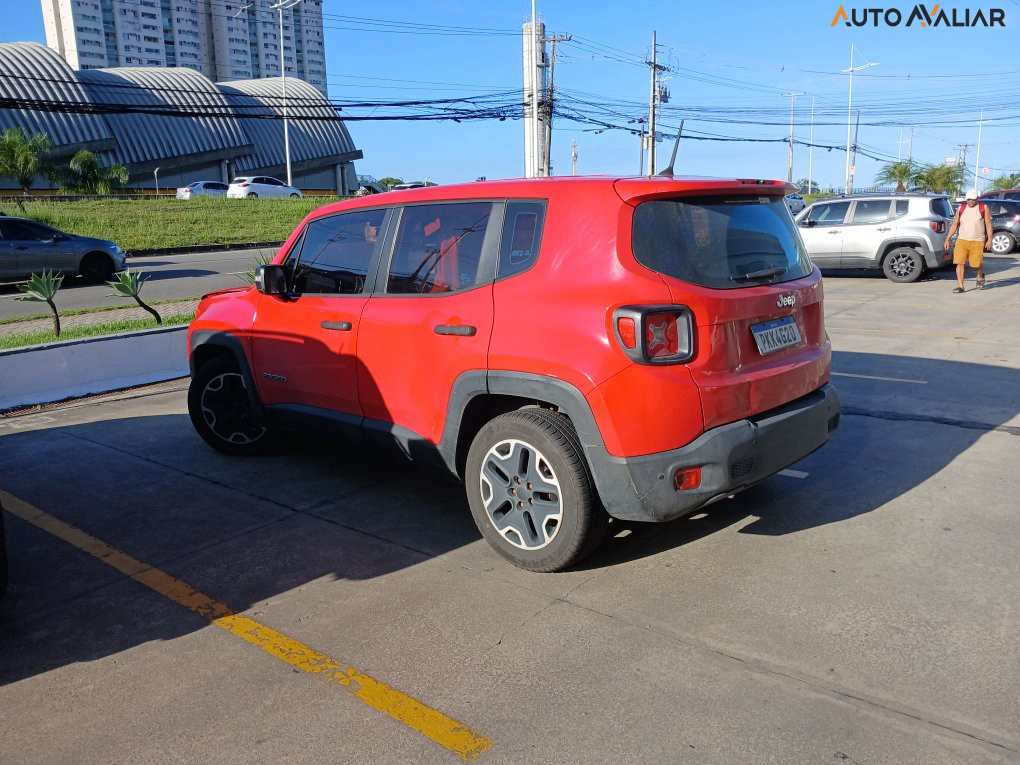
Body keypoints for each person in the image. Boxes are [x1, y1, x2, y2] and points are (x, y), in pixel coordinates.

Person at [945, 189, 993, 293]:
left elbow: (988, 224)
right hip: (962, 240)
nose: (970, 201)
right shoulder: (961, 208)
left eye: (972, 199)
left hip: (978, 240)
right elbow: (955, 224)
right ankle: (960, 286)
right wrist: (947, 239)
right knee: (959, 263)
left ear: (977, 199)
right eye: (968, 199)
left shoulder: (983, 208)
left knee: (976, 264)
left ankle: (980, 275)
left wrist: (990, 239)